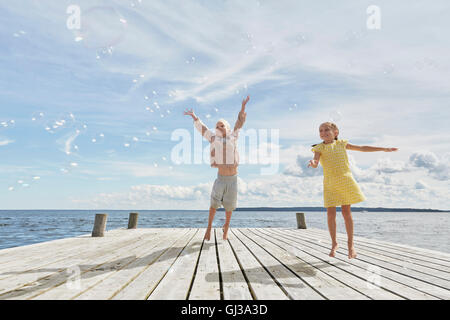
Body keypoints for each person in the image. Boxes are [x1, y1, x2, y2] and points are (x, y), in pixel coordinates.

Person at [308, 122, 398, 259]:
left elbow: (362, 148)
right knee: (330, 214)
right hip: (330, 184)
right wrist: (313, 163)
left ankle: (351, 246)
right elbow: (316, 161)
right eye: (320, 130)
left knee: (346, 212)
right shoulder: (318, 148)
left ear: (336, 132)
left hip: (345, 181)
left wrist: (383, 149)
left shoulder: (341, 144)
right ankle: (334, 243)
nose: (323, 132)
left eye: (327, 130)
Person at [184, 96, 250, 240]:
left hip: (233, 179)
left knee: (229, 206)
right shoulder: (214, 139)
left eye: (222, 126)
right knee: (214, 204)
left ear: (228, 128)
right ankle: (208, 228)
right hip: (221, 178)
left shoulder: (234, 136)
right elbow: (203, 130)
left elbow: (239, 122)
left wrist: (243, 108)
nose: (219, 128)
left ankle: (226, 227)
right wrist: (195, 117)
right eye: (217, 126)